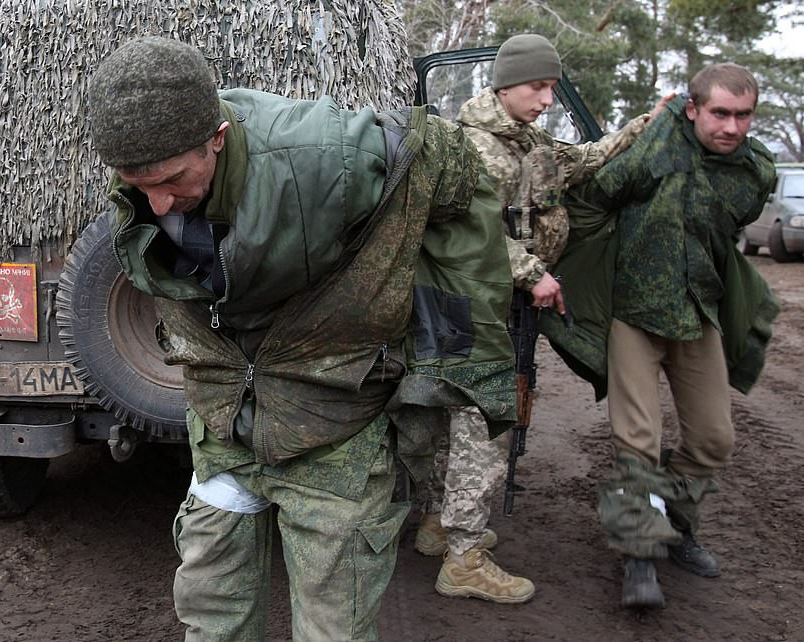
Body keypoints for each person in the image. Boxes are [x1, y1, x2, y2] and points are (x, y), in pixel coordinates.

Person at [87, 36, 518, 639]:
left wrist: (449, 348)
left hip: (334, 424)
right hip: (224, 427)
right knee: (212, 614)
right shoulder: (148, 182)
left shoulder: (323, 156)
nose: (157, 204)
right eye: (137, 185)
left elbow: (453, 168)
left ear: (217, 136)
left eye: (172, 180)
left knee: (332, 627)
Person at [414, 33, 671, 604]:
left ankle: (437, 523)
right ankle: (464, 555)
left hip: (492, 303)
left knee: (456, 413)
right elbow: (466, 232)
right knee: (485, 421)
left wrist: (644, 125)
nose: (548, 99)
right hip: (475, 302)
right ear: (505, 84)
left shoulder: (528, 141)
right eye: (539, 86)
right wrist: (533, 273)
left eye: (553, 87)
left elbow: (584, 159)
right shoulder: (472, 144)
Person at [541, 62, 777, 608]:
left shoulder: (752, 170)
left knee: (714, 440)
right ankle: (639, 553)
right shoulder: (654, 150)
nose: (733, 127)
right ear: (692, 109)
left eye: (744, 116)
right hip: (635, 315)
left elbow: (740, 214)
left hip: (698, 315)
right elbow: (597, 193)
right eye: (720, 113)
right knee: (637, 443)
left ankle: (673, 521)